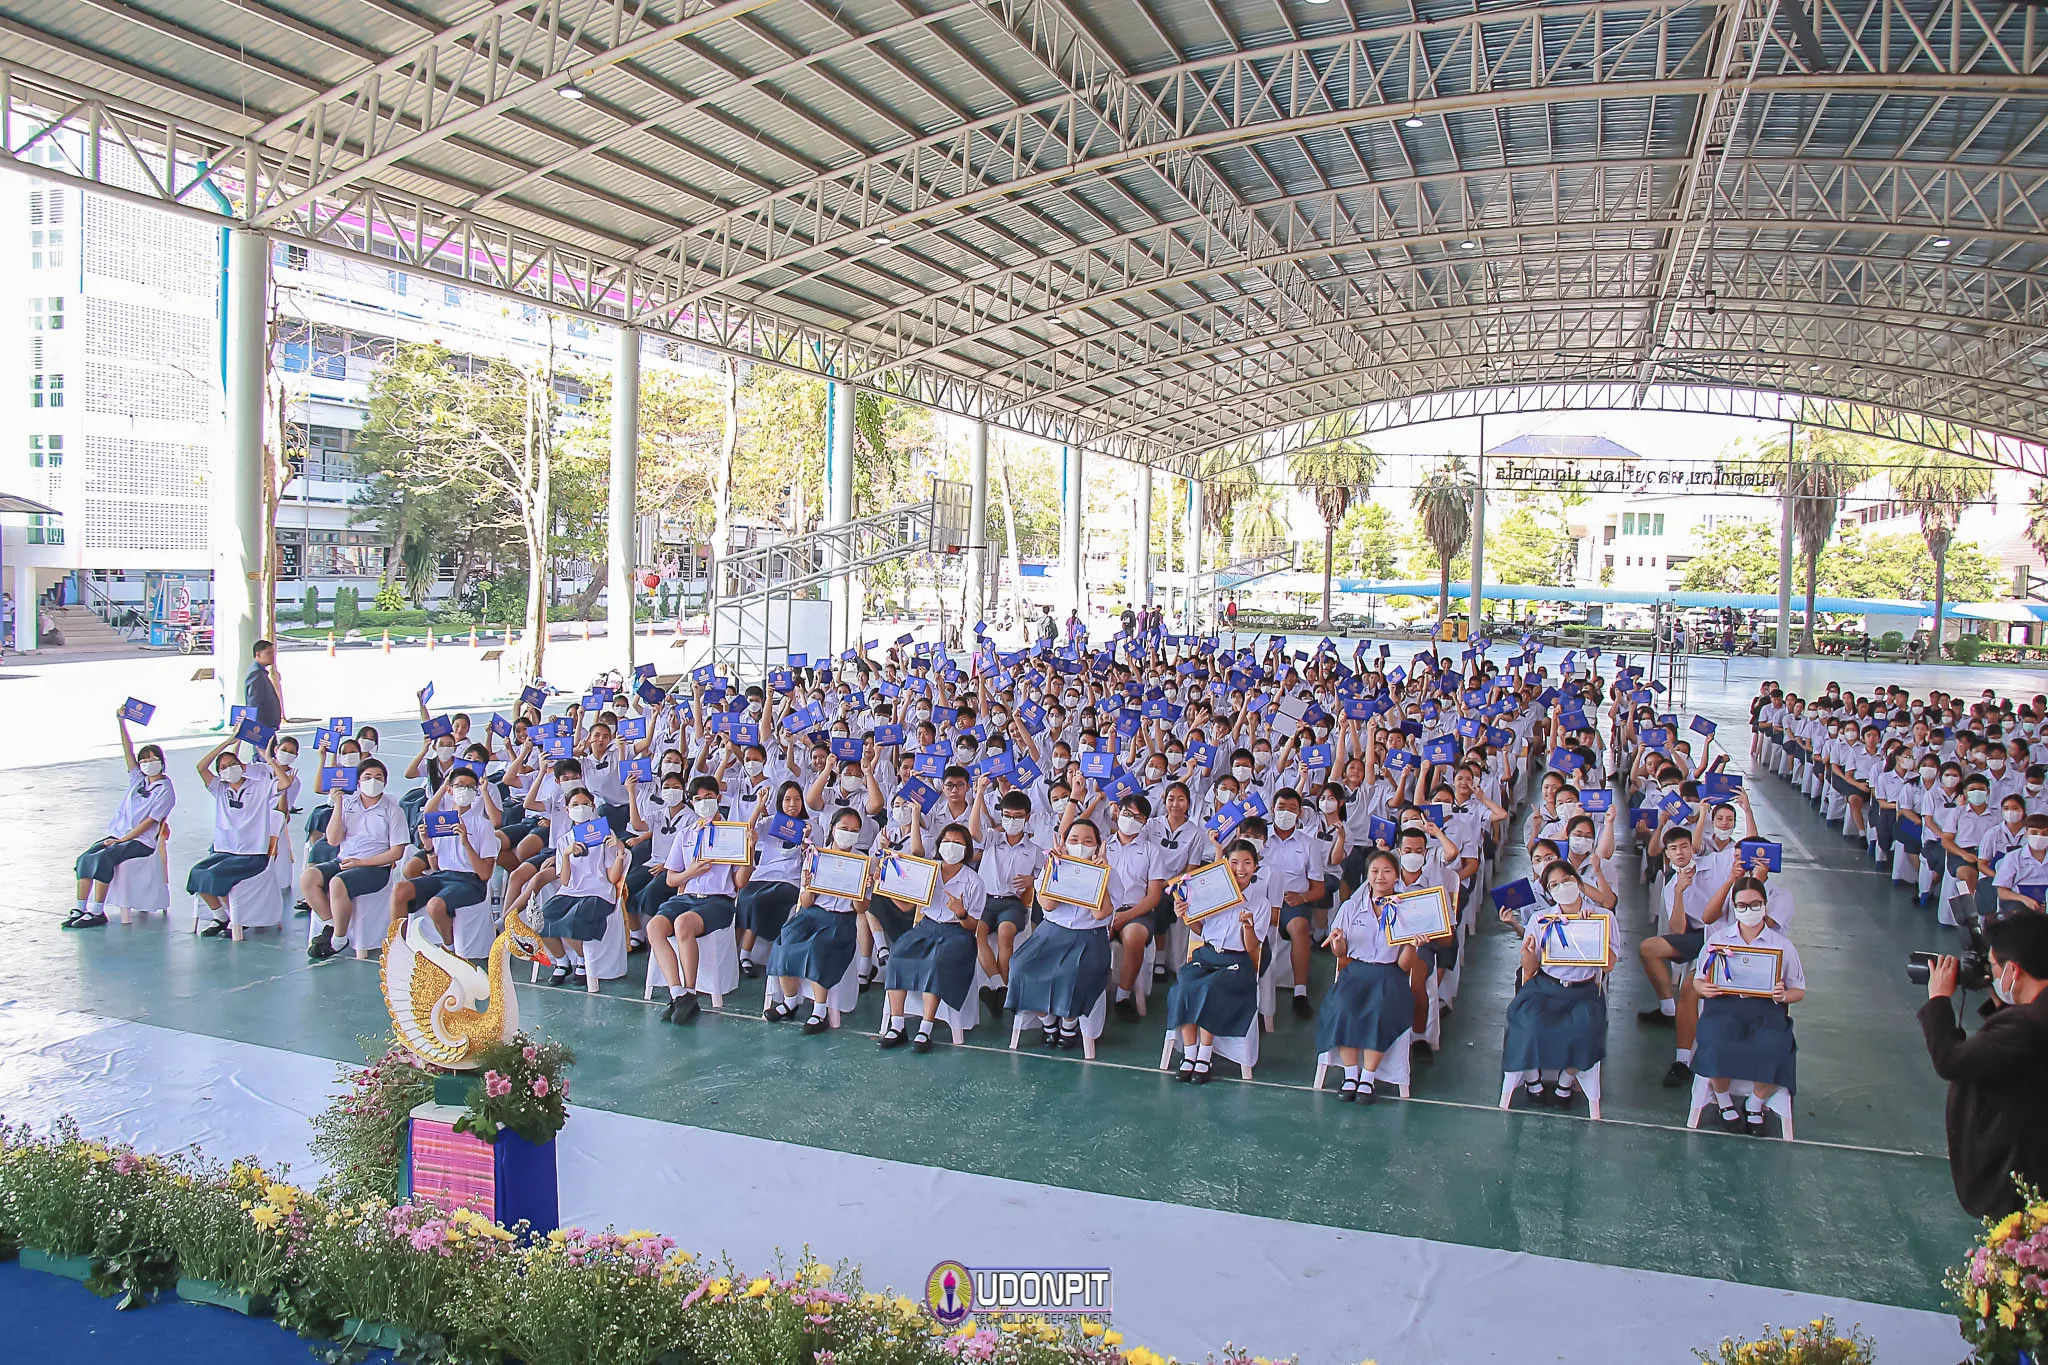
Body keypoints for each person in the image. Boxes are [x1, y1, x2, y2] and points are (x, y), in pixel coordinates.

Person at [1917, 915, 2048, 1217]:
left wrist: (1938, 1000)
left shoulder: (2025, 1027)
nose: (1991, 974)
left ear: (2013, 970)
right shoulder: (2031, 1017)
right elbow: (2011, 1052)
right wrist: (2000, 1001)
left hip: (2019, 1171)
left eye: (1994, 968)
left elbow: (1951, 1061)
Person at [69, 708, 176, 928]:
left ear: (162, 762)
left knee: (104, 858)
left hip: (140, 841)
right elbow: (128, 751)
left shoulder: (165, 789)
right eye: (144, 760)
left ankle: (97, 911)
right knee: (85, 858)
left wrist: (123, 840)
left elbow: (149, 822)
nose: (148, 763)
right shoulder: (139, 779)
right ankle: (80, 907)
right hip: (119, 835)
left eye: (153, 758)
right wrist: (121, 722)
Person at [245, 638, 283, 732]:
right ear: (258, 654)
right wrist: (259, 731)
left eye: (273, 652)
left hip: (267, 726)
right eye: (268, 653)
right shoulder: (256, 674)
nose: (272, 656)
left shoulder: (260, 673)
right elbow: (255, 703)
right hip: (263, 728)